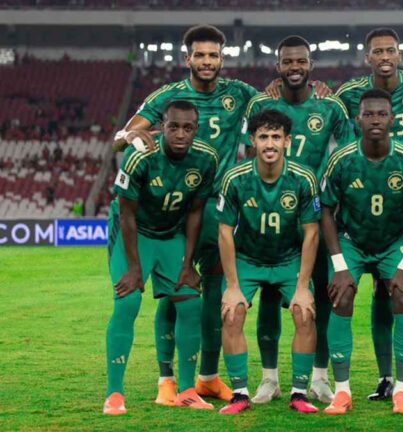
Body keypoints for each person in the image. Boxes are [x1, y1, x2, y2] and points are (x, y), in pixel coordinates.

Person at [113, 24, 258, 403]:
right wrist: (132, 137)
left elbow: (279, 106)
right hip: (179, 209)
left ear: (222, 59)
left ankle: (208, 376)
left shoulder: (240, 93)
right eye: (200, 55)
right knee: (174, 291)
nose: (207, 61)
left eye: (214, 55)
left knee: (212, 294)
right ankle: (167, 379)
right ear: (188, 58)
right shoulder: (168, 96)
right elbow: (121, 138)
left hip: (219, 209)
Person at [243, 35, 354, 406]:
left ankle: (319, 378)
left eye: (301, 61)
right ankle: (269, 379)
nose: (295, 67)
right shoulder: (262, 103)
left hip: (315, 216)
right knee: (269, 290)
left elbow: (347, 154)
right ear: (278, 66)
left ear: (311, 65)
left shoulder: (330, 105)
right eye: (288, 61)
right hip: (270, 213)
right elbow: (248, 155)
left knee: (319, 297)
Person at [336, 27, 403, 400]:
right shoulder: (349, 93)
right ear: (367, 57)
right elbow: (328, 114)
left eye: (390, 50)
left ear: (399, 54)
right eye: (377, 51)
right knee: (381, 290)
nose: (384, 56)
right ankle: (384, 376)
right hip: (367, 199)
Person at [320, 89, 403, 415]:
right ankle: (342, 391)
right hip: (352, 241)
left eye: (382, 114)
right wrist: (339, 264)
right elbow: (326, 211)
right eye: (368, 114)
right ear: (358, 120)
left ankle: (402, 390)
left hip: (392, 242)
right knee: (341, 296)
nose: (375, 120)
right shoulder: (342, 159)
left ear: (392, 119)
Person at [103, 101, 218, 415]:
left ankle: (187, 391)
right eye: (173, 127)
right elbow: (126, 213)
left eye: (187, 128)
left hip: (170, 234)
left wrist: (188, 264)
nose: (180, 134)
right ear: (162, 127)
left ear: (196, 129)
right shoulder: (140, 155)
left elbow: (195, 212)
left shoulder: (206, 158)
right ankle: (115, 394)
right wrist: (134, 268)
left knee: (191, 302)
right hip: (135, 234)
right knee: (127, 302)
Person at [217, 110, 320, 415]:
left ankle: (299, 393)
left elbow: (312, 233)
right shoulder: (235, 178)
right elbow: (224, 232)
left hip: (289, 259)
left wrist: (303, 286)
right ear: (253, 140)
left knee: (304, 312)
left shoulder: (303, 178)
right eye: (263, 137)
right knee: (232, 313)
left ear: (287, 141)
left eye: (276, 137)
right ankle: (239, 395)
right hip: (248, 259)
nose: (270, 143)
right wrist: (232, 286)